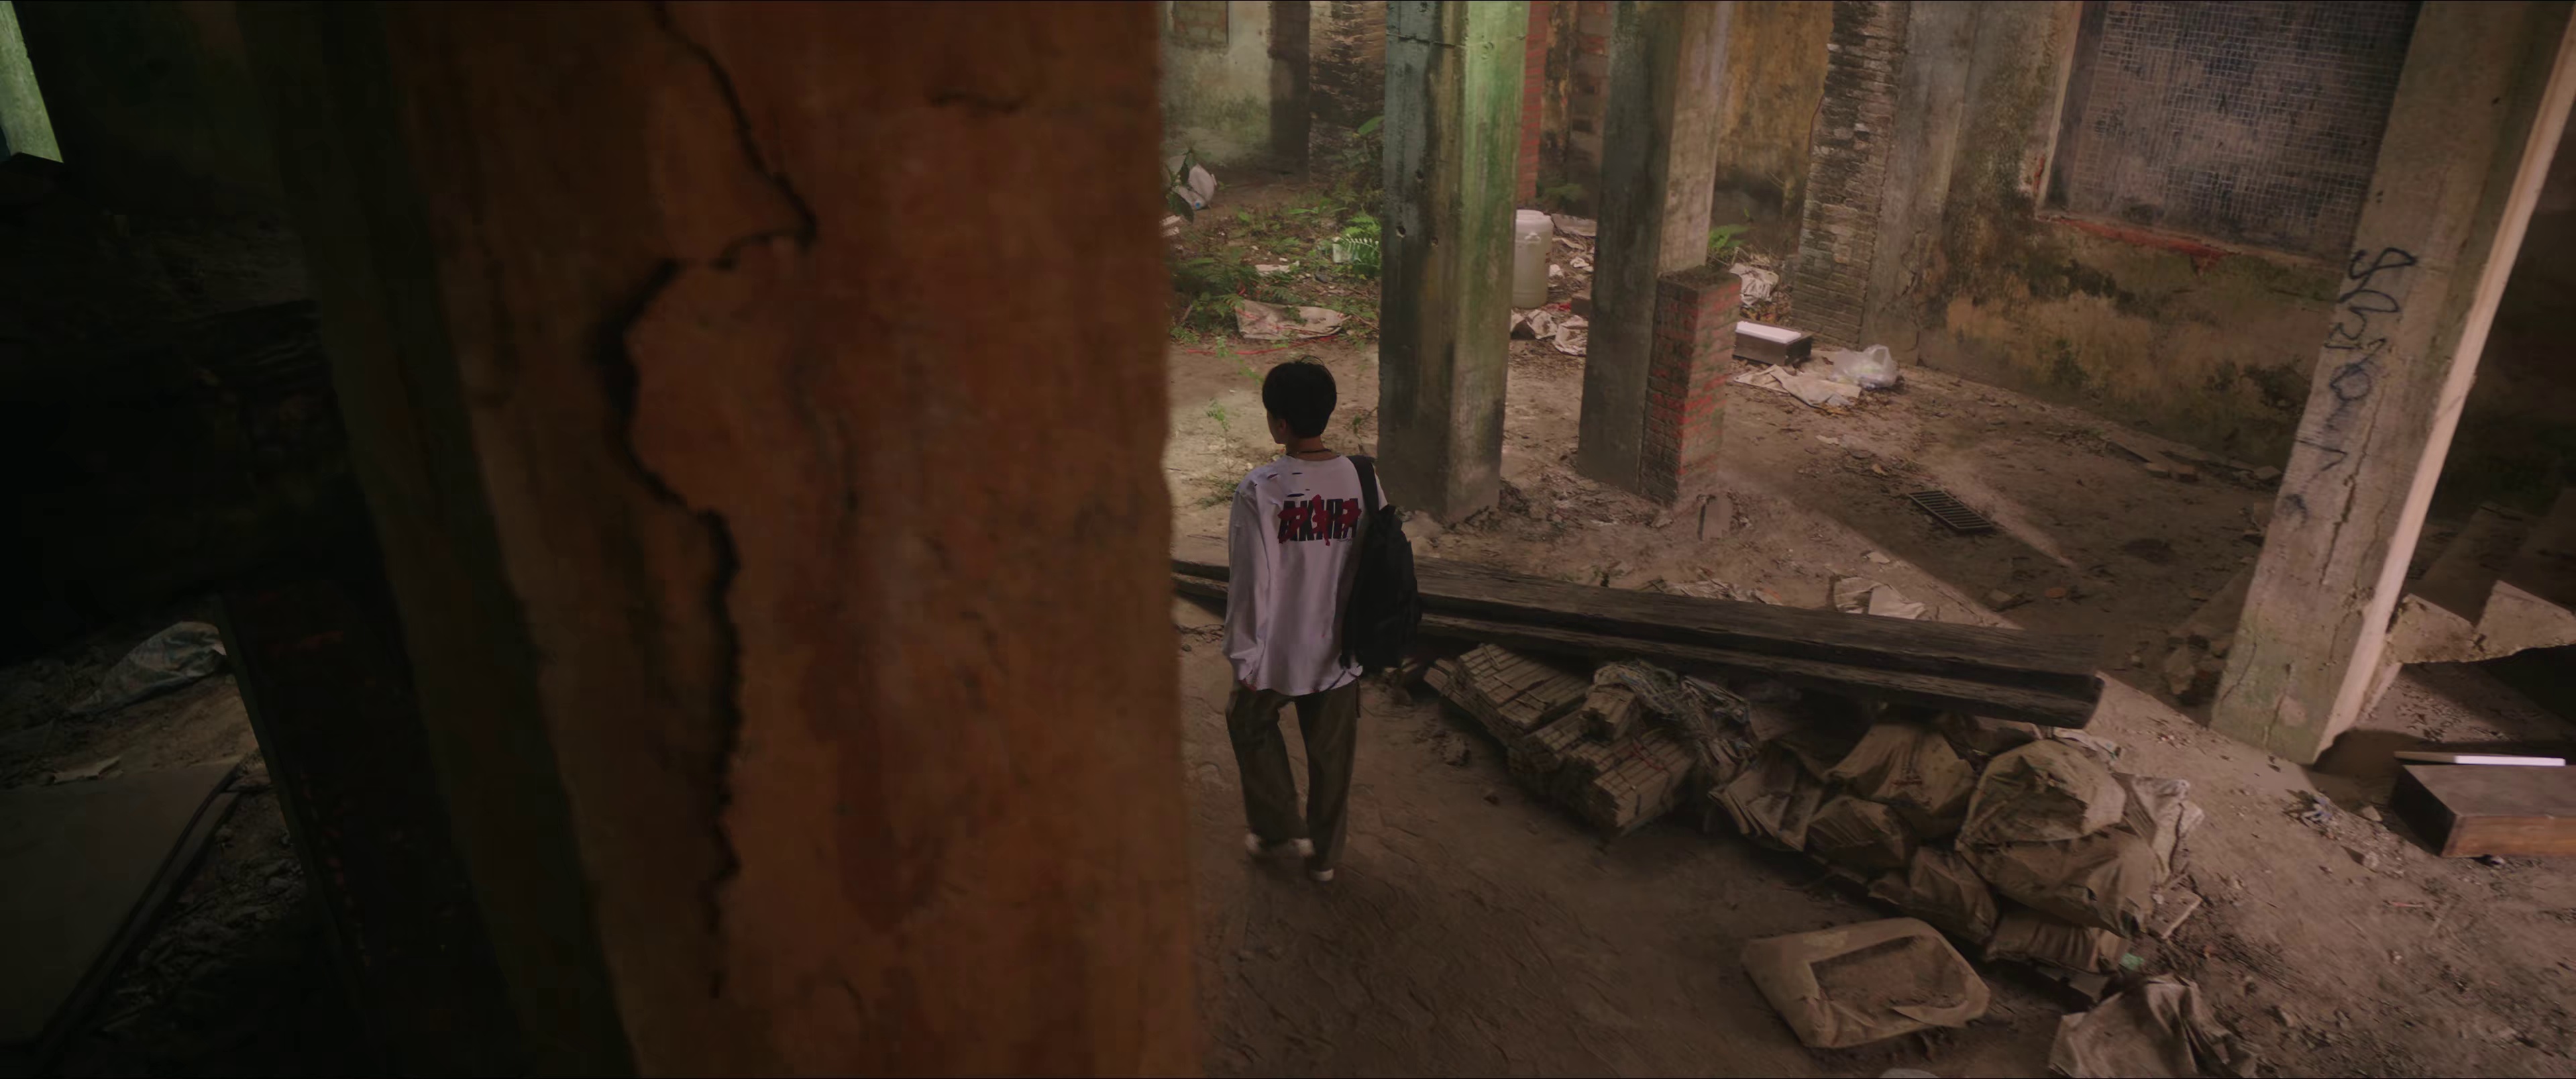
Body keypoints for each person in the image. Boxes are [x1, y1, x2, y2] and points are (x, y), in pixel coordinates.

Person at [1223, 360, 1373, 884]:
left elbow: (1251, 583)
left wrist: (1244, 655)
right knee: (1333, 755)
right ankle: (1325, 857)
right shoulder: (1363, 479)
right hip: (1341, 650)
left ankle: (1276, 826)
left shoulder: (1261, 489)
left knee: (1248, 721)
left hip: (1278, 651)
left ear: (1280, 423)